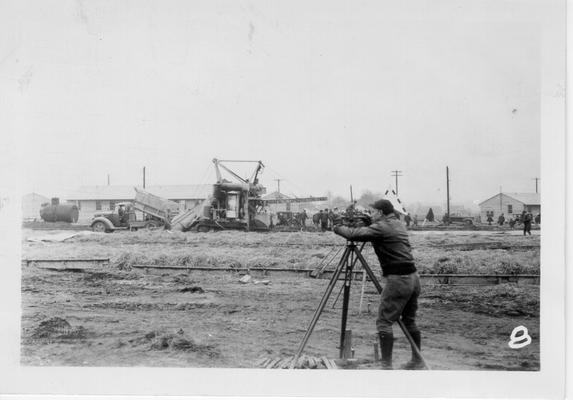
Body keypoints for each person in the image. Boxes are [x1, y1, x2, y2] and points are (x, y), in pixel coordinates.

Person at [333, 199, 423, 370]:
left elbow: (352, 234)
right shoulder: (398, 223)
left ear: (381, 213)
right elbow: (379, 230)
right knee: (409, 321)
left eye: (373, 212)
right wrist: (369, 223)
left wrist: (337, 227)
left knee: (384, 322)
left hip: (398, 278)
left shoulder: (381, 227)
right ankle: (417, 362)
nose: (371, 215)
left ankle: (386, 365)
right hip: (413, 277)